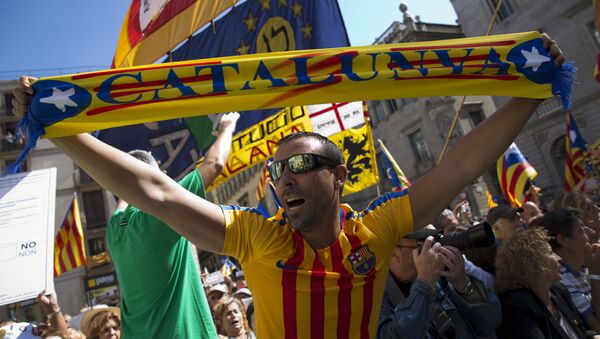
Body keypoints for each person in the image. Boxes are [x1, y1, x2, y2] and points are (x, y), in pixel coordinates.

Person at [12, 35, 565, 338]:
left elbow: (458, 168)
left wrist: (529, 93)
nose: (283, 180)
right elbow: (156, 193)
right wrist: (64, 130)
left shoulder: (377, 229)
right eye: (277, 172)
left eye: (298, 167)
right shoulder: (257, 237)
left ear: (338, 177)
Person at [106, 112, 238, 338]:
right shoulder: (160, 215)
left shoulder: (115, 230)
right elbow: (214, 163)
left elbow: (123, 195)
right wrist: (227, 127)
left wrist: (138, 175)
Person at [377, 228, 501, 339]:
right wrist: (424, 282)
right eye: (423, 245)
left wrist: (463, 283)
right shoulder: (372, 301)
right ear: (393, 253)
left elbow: (492, 322)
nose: (431, 251)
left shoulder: (440, 278)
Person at [496, 228, 589, 339]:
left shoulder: (558, 291)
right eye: (550, 252)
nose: (558, 258)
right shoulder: (516, 308)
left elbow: (583, 331)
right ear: (532, 263)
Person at [531, 208, 600, 333]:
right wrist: (595, 274)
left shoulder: (587, 265)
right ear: (563, 240)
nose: (592, 232)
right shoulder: (560, 280)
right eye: (582, 230)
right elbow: (597, 326)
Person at [464, 205, 525, 276]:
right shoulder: (487, 256)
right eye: (512, 219)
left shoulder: (528, 245)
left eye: (519, 218)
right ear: (496, 228)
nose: (520, 223)